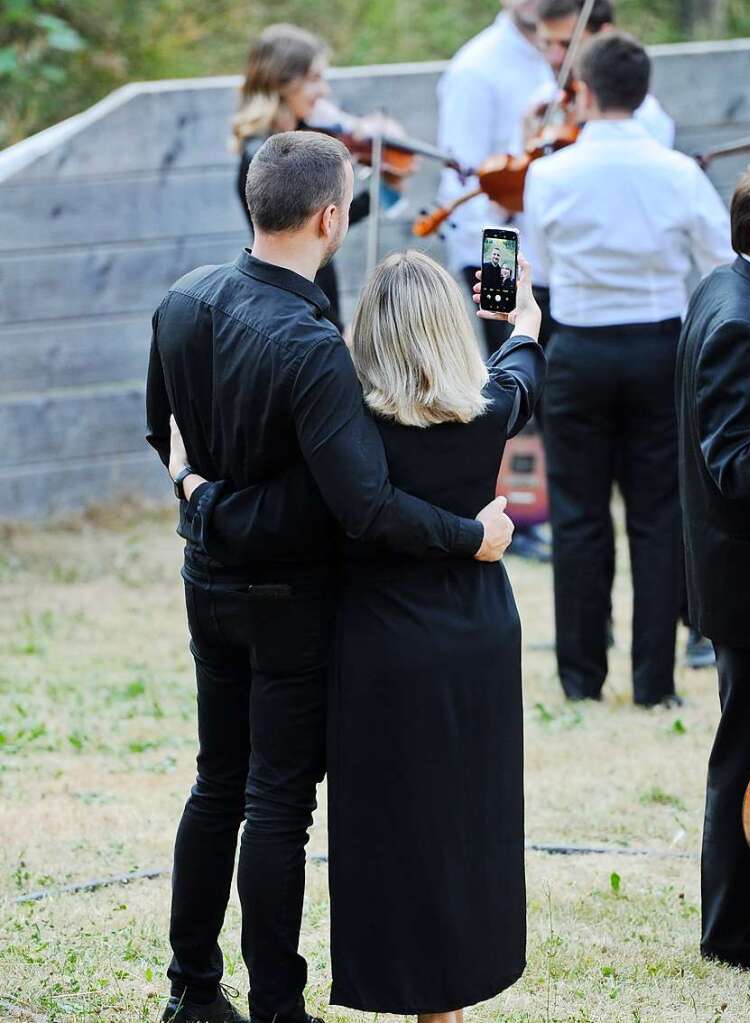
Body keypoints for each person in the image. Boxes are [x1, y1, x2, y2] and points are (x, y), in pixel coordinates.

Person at [145, 131, 513, 1023]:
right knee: (275, 798)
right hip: (287, 599)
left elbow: (168, 439)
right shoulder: (314, 346)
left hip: (207, 582)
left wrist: (197, 498)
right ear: (331, 216)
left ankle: (192, 989)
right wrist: (469, 536)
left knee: (216, 780)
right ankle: (276, 1004)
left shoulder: (183, 297)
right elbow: (366, 507)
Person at [524, 32, 732, 705]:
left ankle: (581, 680)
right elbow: (717, 260)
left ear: (580, 92)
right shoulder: (676, 171)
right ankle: (653, 683)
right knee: (658, 515)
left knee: (579, 517)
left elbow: (545, 272)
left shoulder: (546, 173)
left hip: (577, 349)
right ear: (643, 96)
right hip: (657, 348)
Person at [676, 161, 750, 972]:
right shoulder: (739, 317)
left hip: (741, 570)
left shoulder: (727, 288)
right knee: (743, 752)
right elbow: (735, 459)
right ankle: (735, 934)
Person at [232, 23, 370, 331]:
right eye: (314, 79)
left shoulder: (304, 136)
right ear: (282, 81)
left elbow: (323, 216)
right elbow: (312, 225)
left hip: (312, 292)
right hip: (297, 304)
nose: (324, 91)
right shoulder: (265, 157)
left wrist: (379, 193)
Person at [437, 0, 554, 358]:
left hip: (553, 251)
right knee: (514, 377)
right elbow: (466, 179)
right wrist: (498, 277)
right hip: (500, 249)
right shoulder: (475, 67)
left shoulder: (566, 55)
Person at [524, 0, 674, 150]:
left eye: (567, 44)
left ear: (605, 35)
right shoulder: (543, 99)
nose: (554, 57)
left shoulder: (642, 115)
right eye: (546, 43)